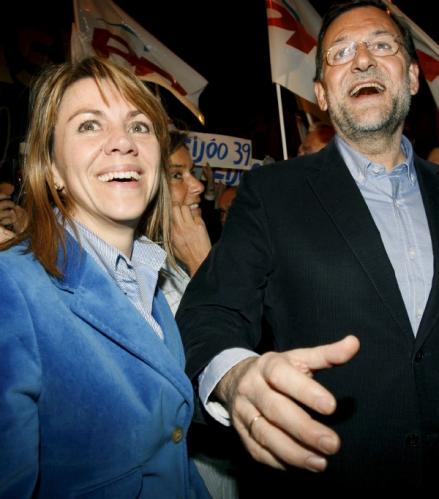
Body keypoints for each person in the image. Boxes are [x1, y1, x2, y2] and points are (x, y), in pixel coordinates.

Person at [177, 0, 439, 492]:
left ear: (410, 78)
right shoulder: (271, 193)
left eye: (382, 45)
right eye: (341, 53)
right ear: (320, 93)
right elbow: (211, 312)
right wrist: (236, 377)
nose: (363, 60)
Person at [0, 57, 210, 498]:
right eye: (89, 125)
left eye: (139, 126)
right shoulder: (11, 287)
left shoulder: (149, 279)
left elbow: (172, 451)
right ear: (52, 168)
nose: (123, 143)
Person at [159, 130, 239, 499]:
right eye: (177, 175)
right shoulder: (135, 273)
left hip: (220, 461)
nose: (197, 187)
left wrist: (202, 265)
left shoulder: (187, 256)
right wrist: (202, 267)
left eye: (191, 173)